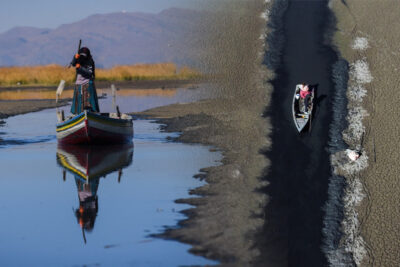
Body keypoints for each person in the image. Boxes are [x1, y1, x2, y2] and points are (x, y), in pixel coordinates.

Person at [70, 47, 100, 114]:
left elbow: (89, 73)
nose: (83, 56)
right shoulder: (78, 59)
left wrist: (80, 68)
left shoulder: (90, 61)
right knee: (79, 102)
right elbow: (73, 64)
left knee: (89, 102)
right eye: (82, 55)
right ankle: (79, 114)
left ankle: (92, 114)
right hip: (79, 84)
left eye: (85, 55)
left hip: (88, 83)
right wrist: (75, 58)